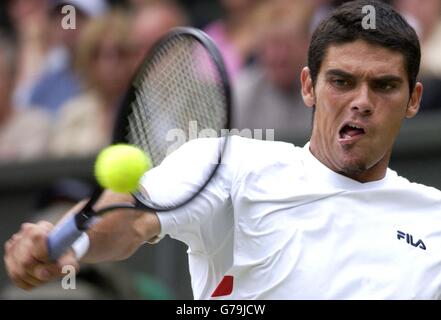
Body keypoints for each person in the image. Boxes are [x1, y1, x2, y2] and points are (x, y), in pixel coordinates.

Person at [4, 0, 441, 299]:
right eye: (342, 82)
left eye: (384, 86)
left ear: (414, 100)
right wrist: (72, 246)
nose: (362, 101)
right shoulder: (231, 165)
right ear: (309, 87)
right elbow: (131, 218)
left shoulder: (433, 220)